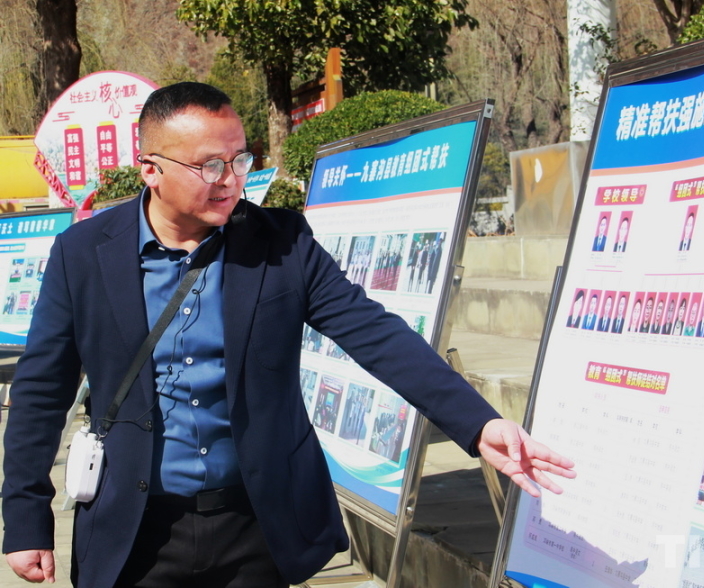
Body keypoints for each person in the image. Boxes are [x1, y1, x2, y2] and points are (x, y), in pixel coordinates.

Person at [2, 83, 575, 588]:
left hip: (256, 525)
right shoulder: (84, 254)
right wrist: (25, 516)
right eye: (209, 166)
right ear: (150, 168)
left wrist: (478, 423)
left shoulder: (282, 244)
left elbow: (374, 332)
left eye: (239, 159)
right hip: (134, 531)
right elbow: (42, 389)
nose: (231, 180)